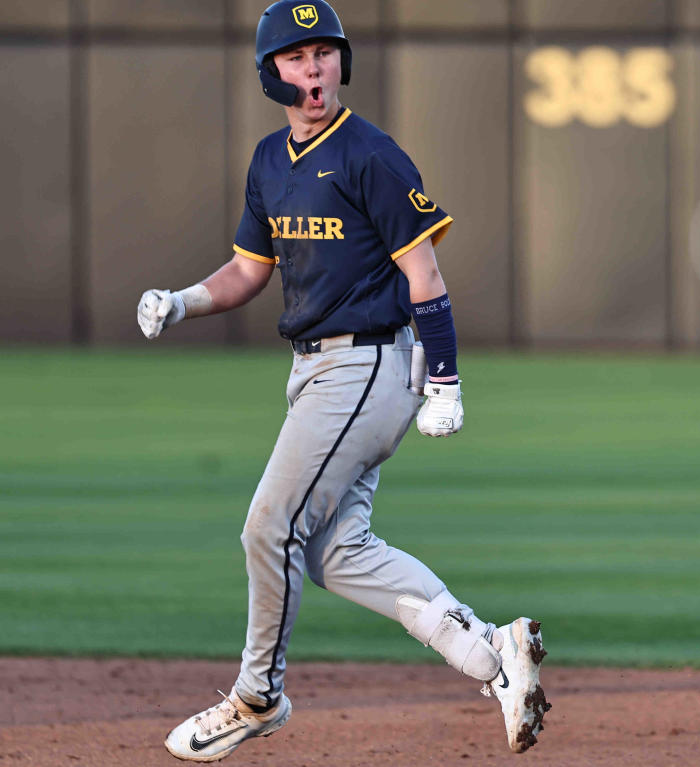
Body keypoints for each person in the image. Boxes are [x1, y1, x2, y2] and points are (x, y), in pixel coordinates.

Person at [137, 1, 550, 761]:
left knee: (267, 526)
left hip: (367, 363)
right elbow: (247, 272)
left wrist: (447, 380)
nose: (314, 67)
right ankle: (495, 655)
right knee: (335, 551)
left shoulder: (370, 155)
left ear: (341, 64)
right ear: (273, 73)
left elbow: (423, 272)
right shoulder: (270, 160)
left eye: (324, 52)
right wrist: (182, 301)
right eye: (296, 57)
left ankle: (257, 696)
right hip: (313, 370)